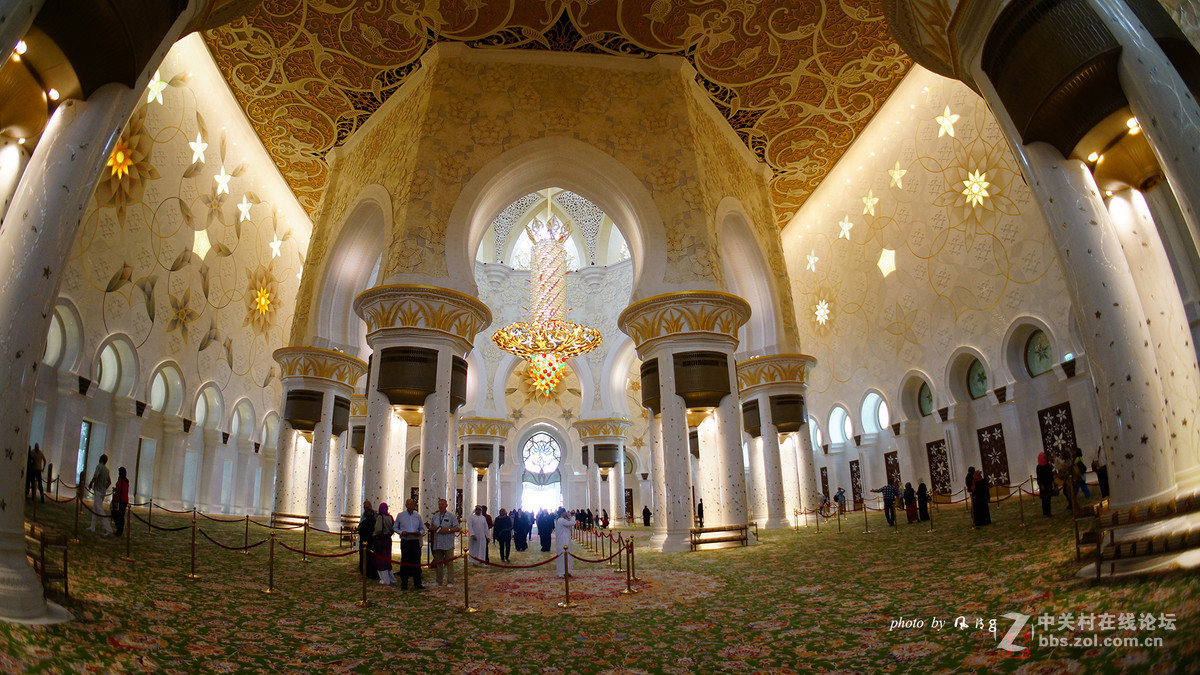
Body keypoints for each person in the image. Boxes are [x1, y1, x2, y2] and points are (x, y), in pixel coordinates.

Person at [393, 498, 425, 590]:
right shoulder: (400, 515)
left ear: (414, 505)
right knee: (404, 563)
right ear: (406, 505)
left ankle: (417, 584)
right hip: (405, 542)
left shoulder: (417, 516)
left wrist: (420, 533)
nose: (410, 506)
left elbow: (422, 529)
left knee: (416, 562)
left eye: (412, 504)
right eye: (408, 504)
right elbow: (395, 527)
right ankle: (404, 584)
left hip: (415, 541)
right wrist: (401, 532)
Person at [429, 498, 460, 586]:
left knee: (449, 563)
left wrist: (448, 529)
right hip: (437, 543)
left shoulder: (451, 516)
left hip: (448, 543)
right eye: (440, 504)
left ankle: (450, 581)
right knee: (438, 563)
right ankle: (439, 581)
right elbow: (431, 527)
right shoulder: (435, 516)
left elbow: (458, 528)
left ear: (446, 506)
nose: (441, 506)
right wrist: (432, 528)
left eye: (443, 504)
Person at [86, 454, 114, 536]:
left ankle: (108, 528)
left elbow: (95, 477)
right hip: (102, 491)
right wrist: (104, 488)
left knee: (99, 509)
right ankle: (92, 527)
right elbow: (109, 482)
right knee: (95, 508)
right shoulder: (106, 469)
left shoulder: (99, 467)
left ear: (101, 459)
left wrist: (91, 483)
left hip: (98, 491)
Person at [373, 502, 396, 585]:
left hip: (381, 540)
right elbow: (393, 528)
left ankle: (385, 579)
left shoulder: (380, 517)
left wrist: (374, 534)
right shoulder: (390, 517)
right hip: (388, 539)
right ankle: (391, 578)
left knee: (380, 559)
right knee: (387, 558)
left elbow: (378, 529)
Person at [358, 501, 378, 579]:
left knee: (370, 558)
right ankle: (364, 572)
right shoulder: (364, 518)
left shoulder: (375, 516)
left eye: (367, 507)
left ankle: (370, 573)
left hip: (371, 542)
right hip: (365, 542)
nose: (365, 509)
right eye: (364, 507)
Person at [554, 507, 575, 578]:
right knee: (563, 556)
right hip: (563, 541)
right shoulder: (561, 520)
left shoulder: (560, 520)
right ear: (562, 513)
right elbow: (572, 523)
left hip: (563, 540)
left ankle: (566, 571)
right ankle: (563, 572)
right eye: (565, 512)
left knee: (566, 556)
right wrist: (572, 516)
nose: (566, 513)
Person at [112, 467, 130, 537]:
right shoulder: (126, 481)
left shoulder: (120, 479)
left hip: (119, 500)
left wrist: (115, 489)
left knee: (115, 514)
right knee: (121, 516)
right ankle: (120, 530)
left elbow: (119, 488)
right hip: (125, 500)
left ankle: (119, 529)